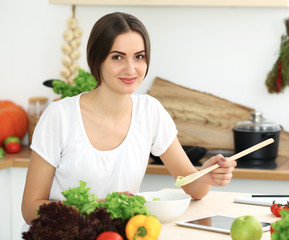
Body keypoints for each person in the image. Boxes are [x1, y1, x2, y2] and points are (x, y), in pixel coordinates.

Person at [21, 12, 237, 225]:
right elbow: (30, 208)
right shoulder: (60, 116)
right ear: (97, 60)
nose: (131, 69)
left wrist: (207, 175)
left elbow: (191, 186)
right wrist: (96, 208)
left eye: (139, 57)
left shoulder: (150, 111)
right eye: (117, 57)